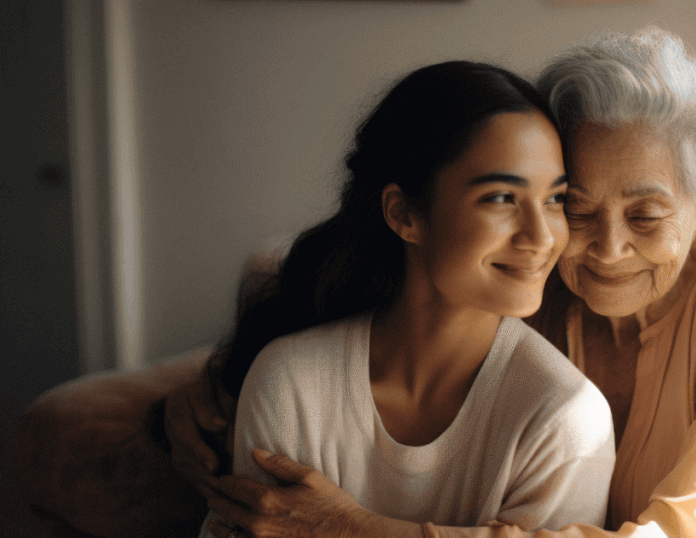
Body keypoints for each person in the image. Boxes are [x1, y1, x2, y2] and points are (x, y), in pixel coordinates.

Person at [177, 28, 696, 538]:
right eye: (577, 207)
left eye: (646, 215)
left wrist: (359, 530)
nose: (607, 248)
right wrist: (186, 409)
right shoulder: (531, 284)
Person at [194, 60, 616, 538]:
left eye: (555, 199)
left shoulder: (566, 418)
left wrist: (347, 529)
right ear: (403, 214)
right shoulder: (291, 384)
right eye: (502, 198)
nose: (541, 237)